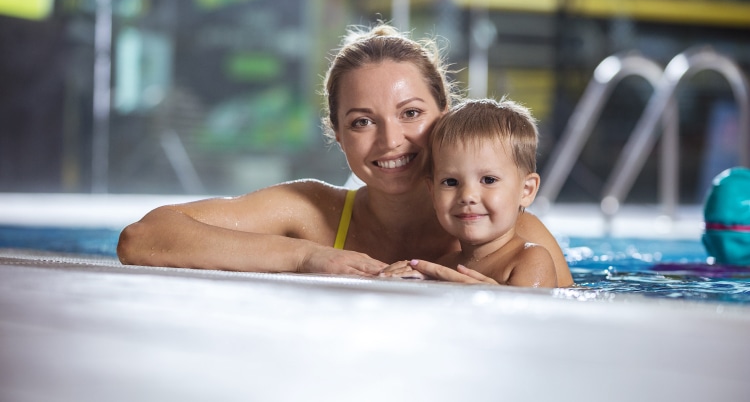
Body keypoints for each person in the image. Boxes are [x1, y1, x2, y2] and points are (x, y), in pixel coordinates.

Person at [117, 23, 574, 286]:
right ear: (337, 134)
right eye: (361, 121)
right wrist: (304, 258)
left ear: (444, 116)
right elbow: (143, 237)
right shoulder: (312, 214)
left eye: (411, 113)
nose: (390, 140)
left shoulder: (511, 233)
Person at [380, 98, 557, 287]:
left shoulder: (531, 259)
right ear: (432, 192)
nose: (467, 196)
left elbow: (533, 315)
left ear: (526, 190)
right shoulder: (444, 264)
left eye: (489, 180)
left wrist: (493, 294)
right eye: (451, 182)